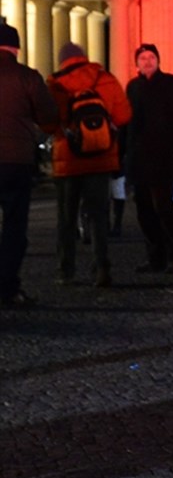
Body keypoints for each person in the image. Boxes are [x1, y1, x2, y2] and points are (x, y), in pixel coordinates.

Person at [46, 41, 131, 288]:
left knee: (66, 218)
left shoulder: (55, 84)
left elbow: (49, 121)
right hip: (100, 158)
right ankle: (102, 267)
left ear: (62, 60)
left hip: (68, 161)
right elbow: (124, 115)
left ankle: (66, 270)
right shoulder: (105, 78)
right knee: (98, 216)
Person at [0, 18, 58, 308]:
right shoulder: (28, 77)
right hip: (15, 161)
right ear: (16, 49)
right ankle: (8, 287)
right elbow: (49, 119)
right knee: (13, 227)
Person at [126, 43, 173, 274]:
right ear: (136, 63)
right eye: (142, 58)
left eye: (151, 57)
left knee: (164, 208)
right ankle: (155, 256)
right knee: (144, 210)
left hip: (163, 156)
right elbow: (128, 125)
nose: (147, 61)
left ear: (158, 60)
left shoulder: (172, 84)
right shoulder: (132, 87)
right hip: (139, 158)